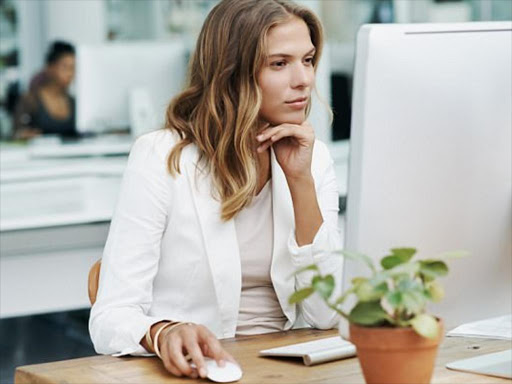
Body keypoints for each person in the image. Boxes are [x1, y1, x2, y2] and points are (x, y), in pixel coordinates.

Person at [89, 0, 343, 379]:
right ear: (231, 72)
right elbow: (110, 317)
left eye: (307, 60)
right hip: (198, 370)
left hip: (287, 367)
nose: (303, 79)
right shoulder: (161, 157)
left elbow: (327, 315)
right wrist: (164, 331)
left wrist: (300, 180)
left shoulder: (313, 158)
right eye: (279, 63)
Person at [13, 41, 77, 139]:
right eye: (65, 67)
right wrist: (24, 135)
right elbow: (15, 133)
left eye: (73, 68)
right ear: (50, 67)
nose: (70, 73)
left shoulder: (74, 102)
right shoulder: (30, 100)